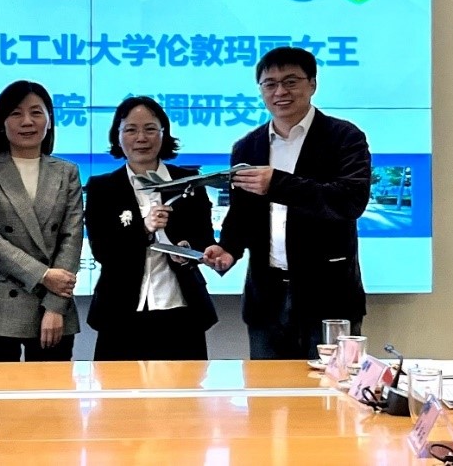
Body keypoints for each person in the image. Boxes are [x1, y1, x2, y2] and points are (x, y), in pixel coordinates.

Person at [203, 46, 371, 360]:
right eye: (270, 84)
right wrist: (228, 248)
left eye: (291, 82)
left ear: (312, 84)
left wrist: (277, 183)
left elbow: (350, 200)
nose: (280, 92)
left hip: (329, 295)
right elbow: (242, 213)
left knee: (333, 386)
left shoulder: (344, 137)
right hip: (266, 298)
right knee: (267, 388)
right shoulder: (247, 146)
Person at [85, 96, 219, 361]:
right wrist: (143, 228)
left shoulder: (188, 181)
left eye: (150, 129)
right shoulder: (102, 187)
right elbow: (103, 251)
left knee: (183, 386)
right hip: (120, 311)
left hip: (180, 308)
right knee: (118, 387)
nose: (141, 138)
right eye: (130, 130)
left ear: (163, 133)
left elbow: (204, 238)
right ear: (117, 136)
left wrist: (187, 252)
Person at [0, 80, 83, 362]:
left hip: (52, 304)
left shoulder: (67, 172)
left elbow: (72, 238)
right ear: (1, 123)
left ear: (49, 120)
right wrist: (43, 275)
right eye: (16, 113)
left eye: (36, 112)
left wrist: (55, 306)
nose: (27, 121)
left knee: (51, 390)